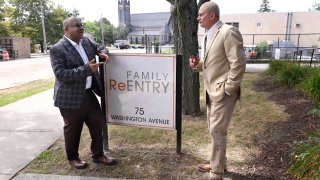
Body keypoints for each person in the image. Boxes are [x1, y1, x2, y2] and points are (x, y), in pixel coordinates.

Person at [50, 16, 117, 169]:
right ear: (66, 30)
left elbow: (99, 45)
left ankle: (98, 155)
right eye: (76, 25)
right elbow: (61, 74)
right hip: (69, 97)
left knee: (97, 122)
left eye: (81, 25)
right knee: (73, 128)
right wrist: (87, 69)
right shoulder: (57, 49)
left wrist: (102, 52)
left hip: (88, 93)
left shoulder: (85, 41)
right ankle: (73, 158)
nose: (81, 28)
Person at [190, 2, 246, 180]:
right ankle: (218, 163)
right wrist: (197, 66)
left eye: (201, 15)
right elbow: (210, 63)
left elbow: (238, 63)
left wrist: (229, 89)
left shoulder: (228, 32)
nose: (198, 18)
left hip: (222, 92)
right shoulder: (207, 34)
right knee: (214, 130)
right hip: (210, 91)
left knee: (217, 130)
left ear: (212, 16)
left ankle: (216, 172)